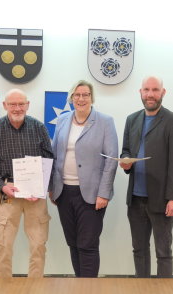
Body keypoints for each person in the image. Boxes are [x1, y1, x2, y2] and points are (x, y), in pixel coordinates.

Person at [119, 76, 173, 278]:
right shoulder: (132, 119)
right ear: (140, 92)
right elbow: (126, 150)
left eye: (155, 90)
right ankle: (142, 288)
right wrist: (125, 161)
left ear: (163, 93)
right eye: (146, 89)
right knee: (139, 250)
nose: (150, 94)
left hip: (162, 200)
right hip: (136, 199)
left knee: (163, 253)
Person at [50, 80, 118, 277]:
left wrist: (104, 193)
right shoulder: (63, 120)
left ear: (91, 97)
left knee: (87, 245)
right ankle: (80, 284)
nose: (81, 98)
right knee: (73, 244)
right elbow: (55, 155)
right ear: (71, 98)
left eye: (85, 94)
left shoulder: (105, 121)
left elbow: (111, 160)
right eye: (77, 95)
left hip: (91, 195)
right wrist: (52, 188)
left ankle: (88, 288)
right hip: (64, 193)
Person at [0, 89, 53, 278]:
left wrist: (42, 188)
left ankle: (35, 286)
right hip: (7, 193)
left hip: (35, 195)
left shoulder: (39, 127)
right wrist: (2, 186)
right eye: (13, 104)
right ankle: (3, 287)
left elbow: (49, 160)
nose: (17, 108)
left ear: (28, 105)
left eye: (21, 104)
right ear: (4, 105)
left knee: (38, 245)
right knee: (4, 246)